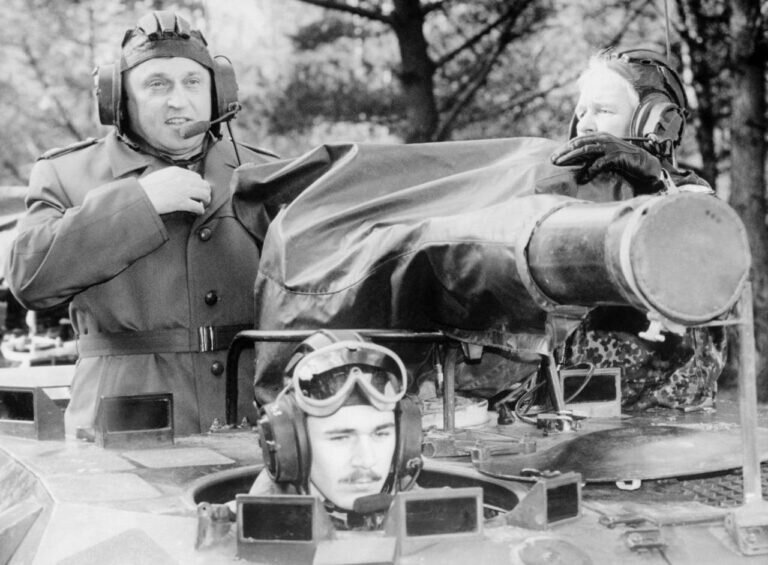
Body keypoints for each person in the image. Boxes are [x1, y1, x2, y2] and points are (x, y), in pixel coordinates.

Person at [5, 11, 277, 435]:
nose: (179, 100)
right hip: (124, 426)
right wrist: (138, 204)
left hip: (252, 417)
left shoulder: (265, 174)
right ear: (119, 100)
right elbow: (28, 277)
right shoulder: (67, 173)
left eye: (193, 82)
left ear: (219, 93)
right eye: (157, 84)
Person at [550, 47, 726, 411]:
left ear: (653, 121)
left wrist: (654, 180)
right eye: (581, 113)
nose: (585, 125)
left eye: (603, 110)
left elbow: (703, 254)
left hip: (667, 413)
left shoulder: (690, 197)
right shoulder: (576, 197)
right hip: (577, 407)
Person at [250, 330, 423, 529]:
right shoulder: (247, 528)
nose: (366, 461)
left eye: (381, 434)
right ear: (292, 443)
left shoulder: (433, 513)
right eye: (340, 438)